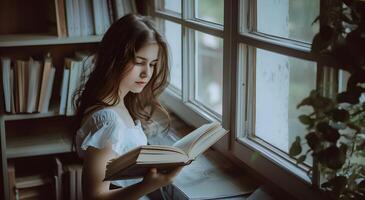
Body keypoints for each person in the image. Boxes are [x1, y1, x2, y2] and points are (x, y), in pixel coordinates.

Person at [74, 14, 182, 200]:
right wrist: (148, 185)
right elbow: (94, 196)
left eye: (153, 64)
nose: (147, 73)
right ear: (114, 59)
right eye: (139, 62)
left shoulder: (121, 103)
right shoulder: (108, 122)